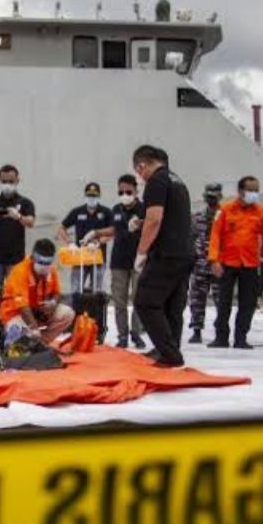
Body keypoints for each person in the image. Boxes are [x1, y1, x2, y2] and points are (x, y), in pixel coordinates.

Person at [130, 145, 194, 368]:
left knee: (145, 302)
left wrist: (141, 251)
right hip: (184, 252)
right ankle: (169, 347)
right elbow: (171, 217)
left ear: (141, 165)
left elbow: (155, 219)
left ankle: (169, 354)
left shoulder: (156, 181)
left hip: (166, 253)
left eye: (138, 172)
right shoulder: (177, 180)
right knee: (171, 305)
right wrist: (142, 222)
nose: (139, 177)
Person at [207, 176, 263, 349]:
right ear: (240, 191)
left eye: (256, 190)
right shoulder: (225, 210)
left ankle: (241, 338)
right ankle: (221, 337)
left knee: (248, 303)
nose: (254, 194)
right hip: (227, 263)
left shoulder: (261, 212)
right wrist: (213, 259)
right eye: (251, 190)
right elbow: (215, 236)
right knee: (224, 302)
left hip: (250, 264)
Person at [84, 174, 146, 349]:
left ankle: (136, 333)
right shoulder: (116, 209)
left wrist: (140, 224)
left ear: (136, 190)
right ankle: (123, 335)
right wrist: (96, 233)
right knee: (119, 301)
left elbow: (151, 226)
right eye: (121, 191)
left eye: (128, 191)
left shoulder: (144, 209)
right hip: (118, 261)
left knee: (138, 299)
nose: (124, 194)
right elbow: (114, 229)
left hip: (138, 260)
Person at [0, 165, 36, 322]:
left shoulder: (25, 202)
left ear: (17, 180)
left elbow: (31, 222)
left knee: (17, 294)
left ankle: (16, 323)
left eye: (11, 181)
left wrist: (19, 216)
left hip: (16, 258)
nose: (7, 184)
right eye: (4, 181)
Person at [0, 239, 75, 345]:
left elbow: (56, 292)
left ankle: (41, 342)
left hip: (38, 313)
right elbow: (23, 306)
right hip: (16, 315)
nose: (44, 266)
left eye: (47, 263)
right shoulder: (20, 271)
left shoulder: (51, 271)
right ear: (33, 258)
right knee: (17, 333)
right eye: (41, 262)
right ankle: (27, 340)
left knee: (67, 314)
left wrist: (53, 303)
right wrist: (34, 328)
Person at [59, 183, 111, 292]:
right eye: (89, 195)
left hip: (98, 257)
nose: (92, 198)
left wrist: (100, 241)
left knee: (96, 290)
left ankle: (94, 309)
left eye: (94, 196)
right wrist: (70, 243)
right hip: (80, 256)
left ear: (99, 196)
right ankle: (76, 308)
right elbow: (61, 228)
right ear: (85, 196)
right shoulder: (77, 212)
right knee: (76, 289)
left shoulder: (106, 212)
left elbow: (113, 232)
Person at [187, 183, 222, 343]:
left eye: (214, 196)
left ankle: (221, 331)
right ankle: (196, 331)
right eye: (209, 196)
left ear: (219, 197)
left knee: (221, 300)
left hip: (219, 266)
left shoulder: (224, 215)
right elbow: (190, 238)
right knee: (197, 299)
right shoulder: (197, 217)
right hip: (200, 264)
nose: (211, 199)